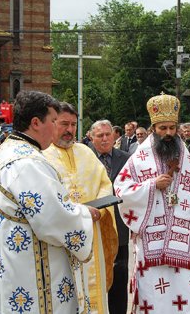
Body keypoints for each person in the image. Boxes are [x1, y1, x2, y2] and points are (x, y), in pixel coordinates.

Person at [0, 91, 98, 313]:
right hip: (29, 273)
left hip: (12, 262)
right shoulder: (28, 162)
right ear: (36, 122)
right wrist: (84, 214)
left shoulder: (8, 149)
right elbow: (54, 219)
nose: (56, 128)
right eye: (53, 121)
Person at [114, 93, 190, 313]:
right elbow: (121, 190)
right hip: (152, 241)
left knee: (185, 295)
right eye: (163, 128)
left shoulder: (184, 155)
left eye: (172, 128)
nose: (169, 133)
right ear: (154, 129)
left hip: (183, 241)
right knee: (155, 297)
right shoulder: (139, 158)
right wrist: (152, 186)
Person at [44, 102, 118, 313]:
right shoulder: (43, 155)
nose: (69, 130)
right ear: (53, 122)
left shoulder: (86, 152)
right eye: (64, 124)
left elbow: (105, 184)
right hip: (61, 241)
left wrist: (100, 210)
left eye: (73, 125)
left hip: (92, 234)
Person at [89, 119, 131, 314]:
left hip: (119, 228)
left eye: (108, 134)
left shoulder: (127, 158)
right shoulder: (84, 158)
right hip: (93, 229)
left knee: (119, 278)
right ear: (91, 137)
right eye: (100, 135)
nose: (105, 139)